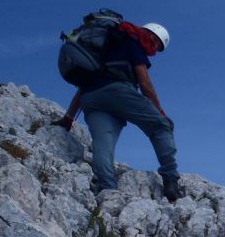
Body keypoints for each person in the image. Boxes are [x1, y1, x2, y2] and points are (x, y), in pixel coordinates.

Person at [55, 22, 183, 202]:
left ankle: (108, 189)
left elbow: (84, 87)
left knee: (103, 146)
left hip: (91, 98)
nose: (153, 48)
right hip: (117, 92)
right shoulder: (134, 42)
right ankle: (171, 179)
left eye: (157, 47)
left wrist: (69, 117)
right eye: (155, 44)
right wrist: (160, 112)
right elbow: (145, 83)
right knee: (162, 126)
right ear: (150, 35)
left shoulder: (105, 48)